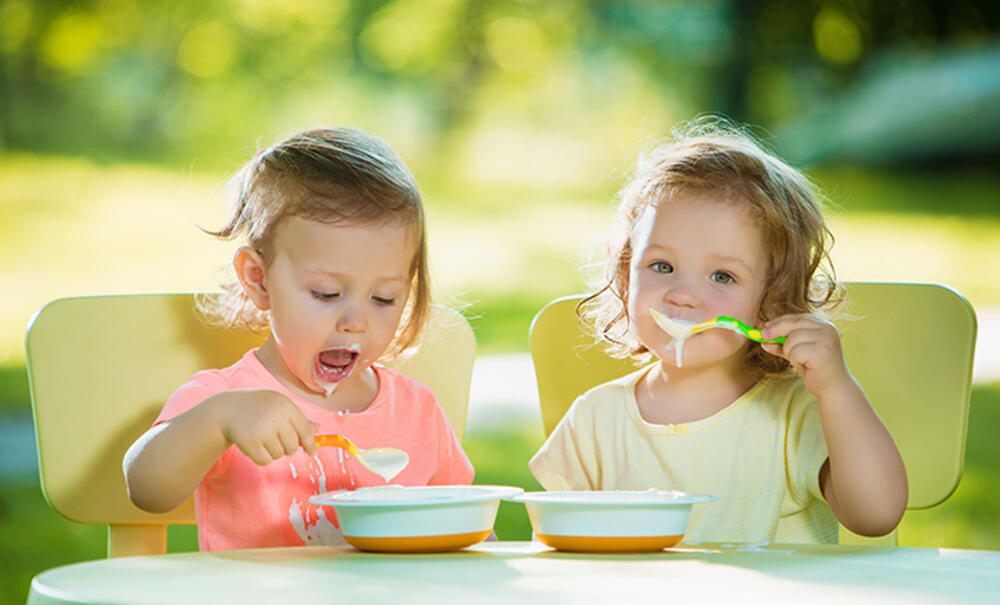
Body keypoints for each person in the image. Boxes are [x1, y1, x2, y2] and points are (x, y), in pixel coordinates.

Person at [529, 119, 907, 544]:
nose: (683, 296)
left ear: (773, 300)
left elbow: (877, 516)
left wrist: (838, 390)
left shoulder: (795, 413)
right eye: (662, 267)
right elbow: (560, 555)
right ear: (625, 275)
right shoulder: (596, 420)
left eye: (722, 276)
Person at [124, 127, 474, 550]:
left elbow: (465, 527)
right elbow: (146, 487)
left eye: (384, 298)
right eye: (326, 293)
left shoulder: (418, 411)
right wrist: (217, 421)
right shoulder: (229, 398)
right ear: (259, 279)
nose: (355, 321)